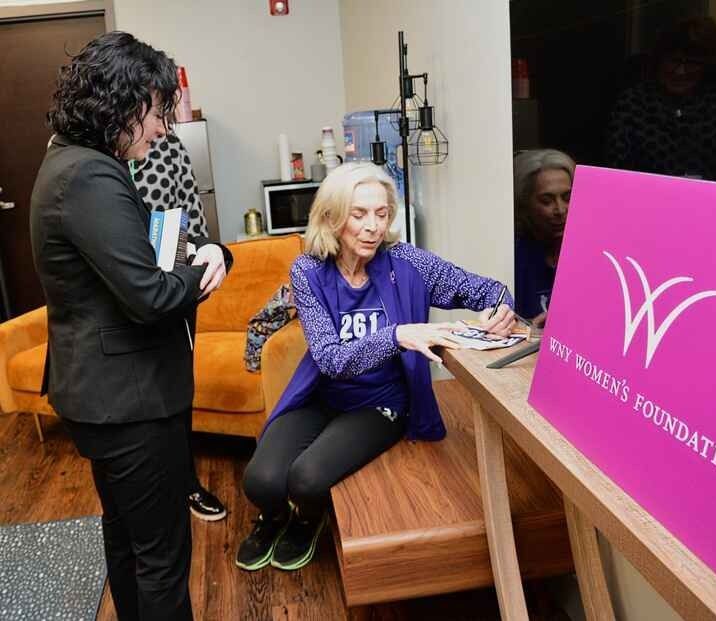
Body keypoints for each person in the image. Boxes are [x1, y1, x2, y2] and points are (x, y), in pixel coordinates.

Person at [29, 32, 232, 621]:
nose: (163, 128)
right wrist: (209, 268)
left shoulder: (69, 161)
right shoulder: (90, 176)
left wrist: (199, 251)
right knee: (162, 554)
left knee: (125, 538)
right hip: (131, 399)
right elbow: (149, 295)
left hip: (102, 393)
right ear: (119, 102)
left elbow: (141, 255)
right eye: (156, 111)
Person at [236, 162, 516, 572]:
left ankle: (307, 520)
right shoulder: (309, 271)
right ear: (332, 218)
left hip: (379, 405)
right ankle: (274, 517)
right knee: (260, 480)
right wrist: (399, 334)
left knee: (307, 479)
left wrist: (501, 306)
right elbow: (331, 359)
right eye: (359, 214)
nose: (373, 227)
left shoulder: (407, 263)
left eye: (382, 214)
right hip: (323, 395)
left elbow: (484, 289)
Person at [133, 133, 226, 521]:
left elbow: (191, 210)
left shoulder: (168, 145)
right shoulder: (94, 155)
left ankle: (186, 484)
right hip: (122, 293)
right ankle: (150, 489)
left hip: (174, 286)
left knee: (175, 392)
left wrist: (206, 249)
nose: (158, 121)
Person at [606, 16, 716, 183]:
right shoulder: (632, 101)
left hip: (710, 203)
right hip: (645, 200)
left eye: (692, 63)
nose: (680, 71)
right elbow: (616, 172)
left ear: (707, 65)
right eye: (674, 60)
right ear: (660, 59)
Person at [513, 149, 575, 322]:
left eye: (567, 197)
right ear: (523, 204)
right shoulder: (514, 258)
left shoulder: (587, 252)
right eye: (547, 201)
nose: (561, 210)